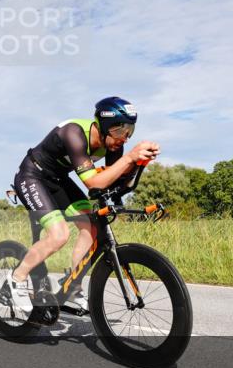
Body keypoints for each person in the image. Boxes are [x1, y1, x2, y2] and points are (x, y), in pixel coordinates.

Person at [9, 97, 159, 315]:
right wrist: (129, 159)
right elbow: (94, 183)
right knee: (58, 235)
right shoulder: (74, 133)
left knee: (91, 227)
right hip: (32, 175)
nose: (124, 139)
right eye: (120, 131)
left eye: (130, 131)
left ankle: (73, 287)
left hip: (59, 179)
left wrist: (137, 163)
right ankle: (17, 279)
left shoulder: (113, 145)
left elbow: (112, 182)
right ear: (105, 126)